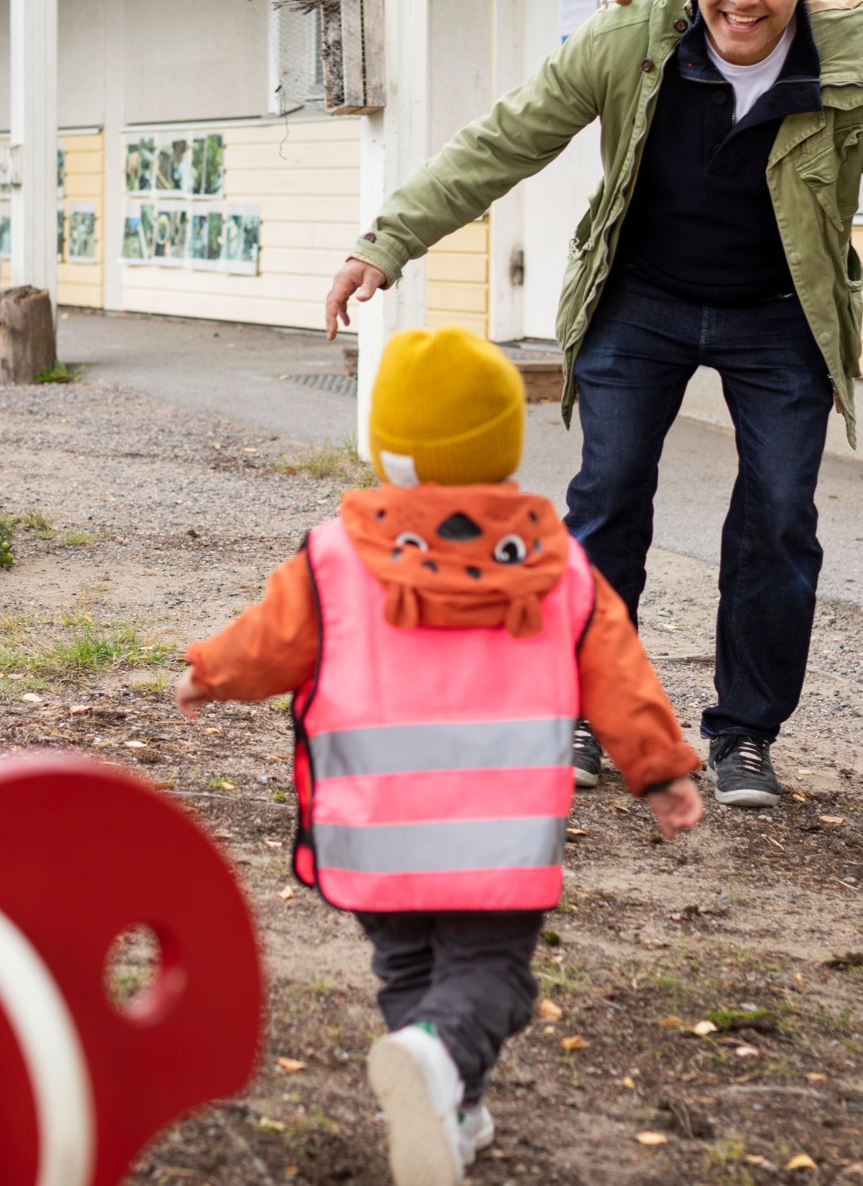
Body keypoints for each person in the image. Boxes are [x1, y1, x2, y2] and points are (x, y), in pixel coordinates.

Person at [324, 0, 863, 810]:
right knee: (609, 495)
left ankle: (743, 735)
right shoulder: (628, 40)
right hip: (641, 300)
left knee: (779, 519)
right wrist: (389, 239)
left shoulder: (858, 70)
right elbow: (505, 140)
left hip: (781, 314)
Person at [174, 326, 702, 1186]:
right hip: (496, 839)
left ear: (389, 446)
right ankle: (438, 1063)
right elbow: (617, 673)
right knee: (493, 977)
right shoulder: (555, 563)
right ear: (503, 441)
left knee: (409, 966)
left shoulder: (334, 555)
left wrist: (208, 673)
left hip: (374, 833)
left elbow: (265, 644)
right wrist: (661, 770)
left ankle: (448, 1107)